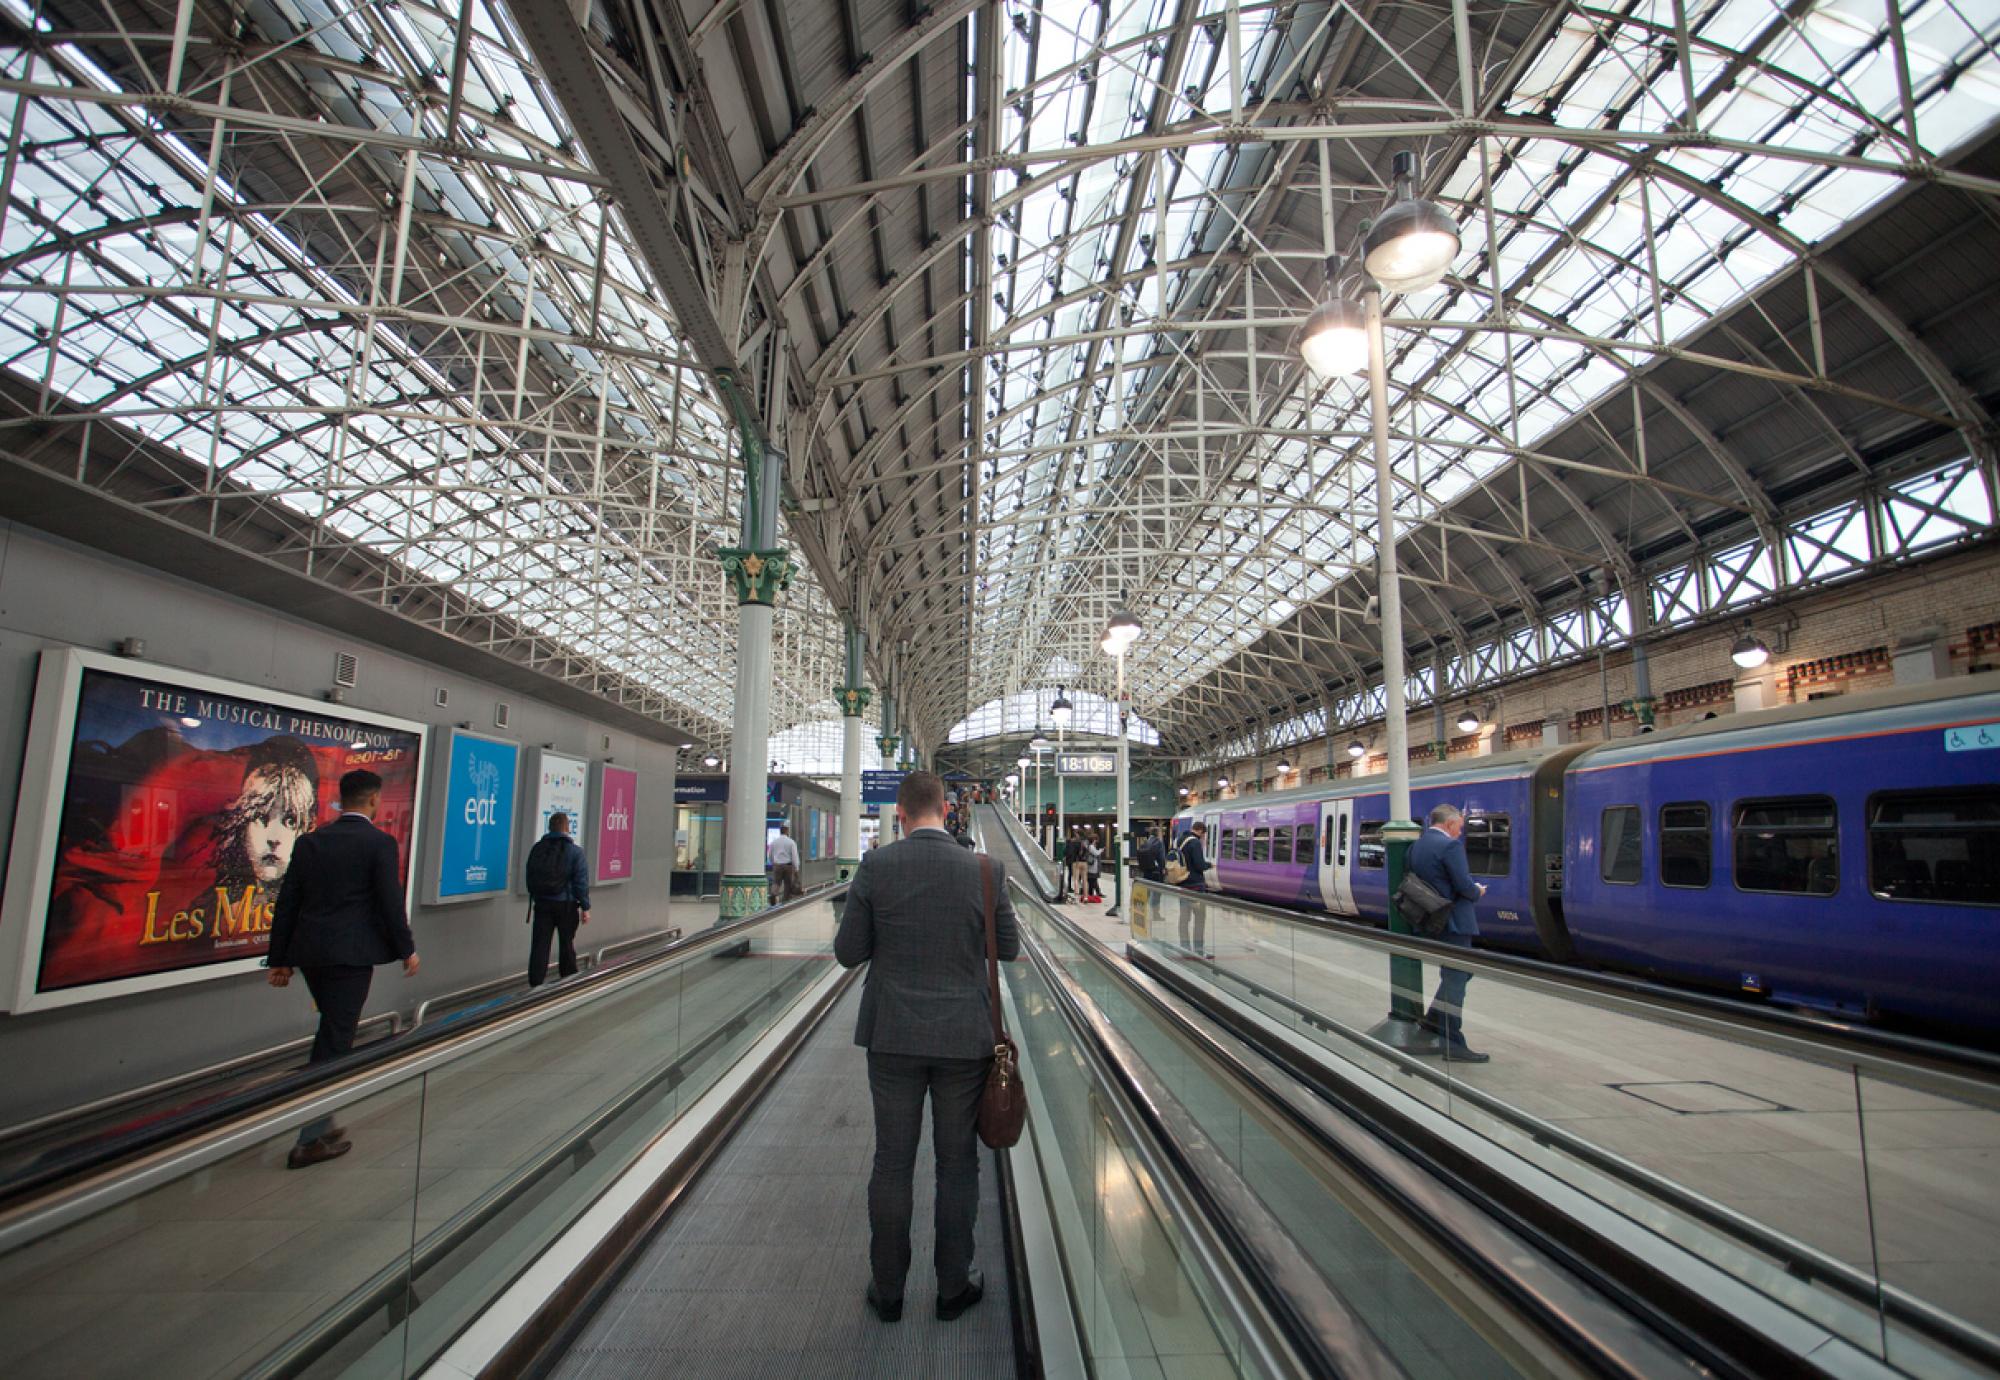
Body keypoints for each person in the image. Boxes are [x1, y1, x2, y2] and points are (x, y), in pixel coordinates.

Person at [835, 771, 1020, 1325]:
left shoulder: (876, 867)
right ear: (947, 808)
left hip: (891, 1036)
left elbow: (848, 953)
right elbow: (1006, 948)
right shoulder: (987, 871)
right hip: (965, 1039)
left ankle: (888, 1290)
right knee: (957, 1165)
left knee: (892, 1162)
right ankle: (952, 1287)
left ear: (901, 812)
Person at [266, 769, 420, 1168]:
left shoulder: (311, 842)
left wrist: (280, 958)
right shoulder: (379, 844)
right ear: (373, 801)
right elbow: (389, 902)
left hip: (312, 954)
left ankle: (322, 1119)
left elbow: (288, 903)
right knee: (336, 1041)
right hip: (351, 956)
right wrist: (407, 950)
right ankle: (309, 1139)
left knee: (331, 1031)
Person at [1407, 803, 1489, 1063]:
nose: (1460, 833)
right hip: (1454, 920)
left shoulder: (1416, 846)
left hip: (1431, 919)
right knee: (1456, 977)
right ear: (1450, 823)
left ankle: (1432, 1022)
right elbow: (1463, 886)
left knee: (1460, 972)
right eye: (1460, 828)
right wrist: (1478, 891)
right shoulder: (1450, 846)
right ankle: (1453, 1042)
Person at [524, 811, 591, 986]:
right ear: (567, 828)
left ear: (550, 827)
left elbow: (530, 875)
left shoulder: (538, 848)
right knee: (566, 945)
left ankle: (535, 984)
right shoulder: (575, 852)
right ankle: (567, 982)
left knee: (540, 946)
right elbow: (580, 882)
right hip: (566, 905)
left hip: (542, 904)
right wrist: (585, 907)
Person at [1176, 823, 1211, 955]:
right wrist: (1208, 865)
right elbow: (1199, 865)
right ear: (1201, 831)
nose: (1203, 837)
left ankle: (1184, 947)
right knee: (1200, 918)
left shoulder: (1180, 840)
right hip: (1195, 886)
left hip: (1182, 884)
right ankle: (1198, 948)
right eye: (1203, 834)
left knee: (1184, 918)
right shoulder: (1195, 843)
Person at [768, 824, 802, 903]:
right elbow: (794, 856)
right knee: (787, 884)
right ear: (787, 831)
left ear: (780, 831)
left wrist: (774, 863)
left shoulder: (774, 842)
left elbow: (770, 855)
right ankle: (785, 901)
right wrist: (796, 868)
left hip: (777, 866)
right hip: (788, 866)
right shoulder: (791, 842)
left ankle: (773, 895)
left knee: (776, 882)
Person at [1064, 829, 1086, 898]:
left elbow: (1066, 851)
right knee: (1075, 875)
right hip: (1075, 860)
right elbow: (1080, 852)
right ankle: (1075, 888)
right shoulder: (1077, 842)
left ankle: (1074, 888)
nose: (1075, 835)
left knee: (1073, 874)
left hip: (1074, 860)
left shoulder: (1074, 842)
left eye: (1076, 834)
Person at [1084, 832, 1104, 903]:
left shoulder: (1090, 846)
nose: (1097, 841)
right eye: (1096, 839)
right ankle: (1090, 895)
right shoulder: (1091, 847)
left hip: (1090, 867)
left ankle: (1092, 894)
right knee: (1092, 881)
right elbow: (1096, 853)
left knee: (1092, 881)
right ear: (1094, 840)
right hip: (1092, 867)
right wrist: (1101, 850)